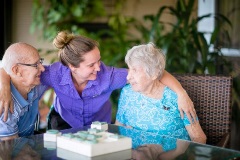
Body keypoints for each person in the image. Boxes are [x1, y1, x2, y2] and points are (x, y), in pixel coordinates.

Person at [0, 31, 196, 130]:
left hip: (100, 130)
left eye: (99, 61)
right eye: (91, 64)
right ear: (72, 67)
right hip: (62, 126)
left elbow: (154, 71)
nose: (98, 67)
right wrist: (3, 85)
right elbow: (9, 67)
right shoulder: (53, 73)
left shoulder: (109, 76)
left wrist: (181, 93)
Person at [115, 42, 206, 143]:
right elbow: (119, 127)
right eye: (129, 69)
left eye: (135, 70)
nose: (128, 77)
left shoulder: (176, 99)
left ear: (154, 74)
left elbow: (199, 138)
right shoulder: (127, 92)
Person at [0, 42, 48, 140]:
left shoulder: (35, 84)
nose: (42, 68)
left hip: (29, 142)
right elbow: (11, 149)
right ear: (17, 70)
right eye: (35, 65)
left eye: (40, 62)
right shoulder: (5, 106)